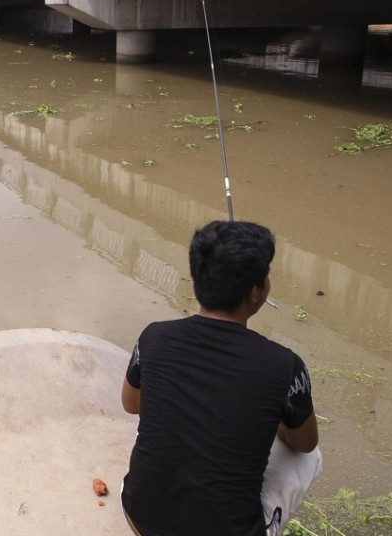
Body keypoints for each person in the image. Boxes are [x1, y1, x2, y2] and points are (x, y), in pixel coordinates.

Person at [120, 220, 322, 536]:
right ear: (255, 292)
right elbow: (306, 443)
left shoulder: (153, 337)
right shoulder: (285, 366)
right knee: (310, 458)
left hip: (138, 517)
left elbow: (131, 404)